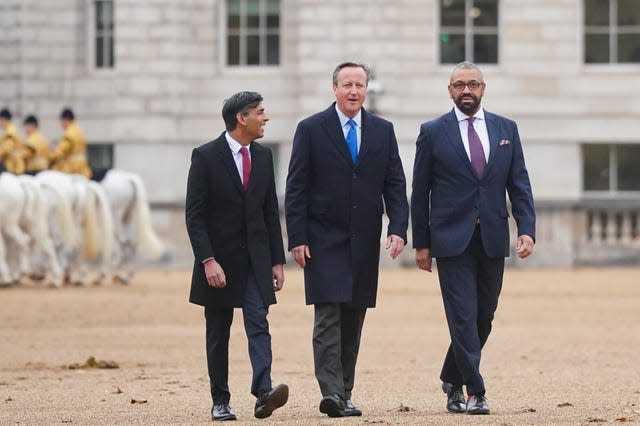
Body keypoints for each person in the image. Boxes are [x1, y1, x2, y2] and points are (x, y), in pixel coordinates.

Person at [411, 62, 536, 415]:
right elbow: (420, 191)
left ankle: (451, 376)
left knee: (485, 316)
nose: (466, 91)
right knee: (463, 317)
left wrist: (526, 228)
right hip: (450, 240)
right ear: (449, 90)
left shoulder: (505, 128)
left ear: (483, 88)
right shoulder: (433, 131)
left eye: (473, 85)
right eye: (459, 85)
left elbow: (519, 183)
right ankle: (475, 390)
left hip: (493, 236)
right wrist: (422, 242)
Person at [285, 62, 409, 418]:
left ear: (366, 89)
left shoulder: (382, 130)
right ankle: (332, 393)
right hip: (322, 239)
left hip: (364, 239)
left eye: (359, 85)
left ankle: (345, 391)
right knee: (327, 316)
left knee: (353, 317)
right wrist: (297, 237)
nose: (353, 91)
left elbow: (395, 183)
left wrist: (398, 226)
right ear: (334, 88)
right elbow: (296, 187)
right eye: (346, 85)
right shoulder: (310, 129)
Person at [185, 91, 289, 421]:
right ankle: (220, 400)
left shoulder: (263, 156)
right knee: (219, 332)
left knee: (258, 322)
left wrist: (276, 260)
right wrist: (207, 260)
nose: (266, 118)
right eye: (261, 112)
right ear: (241, 118)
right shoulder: (205, 156)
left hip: (256, 262)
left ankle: (263, 393)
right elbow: (195, 215)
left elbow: (270, 212)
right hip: (218, 262)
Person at [50, 108, 92, 178]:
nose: (61, 124)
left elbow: (61, 151)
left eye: (61, 121)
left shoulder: (69, 134)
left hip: (72, 168)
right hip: (82, 166)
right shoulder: (78, 130)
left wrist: (52, 154)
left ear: (65, 120)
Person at [0, 107, 26, 174]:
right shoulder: (10, 129)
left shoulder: (10, 132)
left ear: (3, 119)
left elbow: (6, 148)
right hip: (12, 164)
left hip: (12, 165)